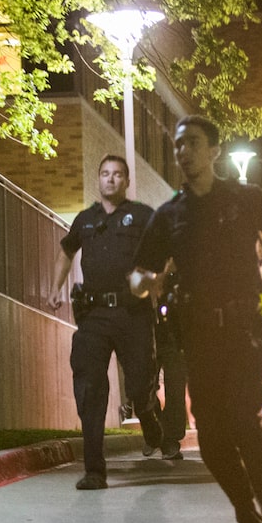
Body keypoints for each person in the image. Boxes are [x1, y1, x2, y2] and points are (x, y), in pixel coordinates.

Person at [129, 115, 262, 523]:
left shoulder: (246, 198)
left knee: (242, 421)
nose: (183, 152)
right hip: (196, 334)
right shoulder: (170, 214)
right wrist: (142, 283)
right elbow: (140, 271)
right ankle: (247, 519)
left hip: (243, 331)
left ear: (214, 151)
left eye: (192, 143)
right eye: (178, 145)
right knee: (212, 437)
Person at [49, 155, 164, 489]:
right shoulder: (85, 220)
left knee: (140, 382)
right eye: (105, 174)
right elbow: (66, 252)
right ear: (97, 180)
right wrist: (55, 288)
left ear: (126, 181)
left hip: (133, 314)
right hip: (95, 315)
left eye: (117, 175)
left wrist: (156, 281)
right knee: (90, 390)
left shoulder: (142, 215)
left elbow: (164, 254)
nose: (110, 180)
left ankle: (148, 415)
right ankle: (94, 471)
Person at [152, 268, 190, 460]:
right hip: (147, 335)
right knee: (142, 387)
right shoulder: (143, 268)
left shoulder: (178, 275)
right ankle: (154, 428)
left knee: (175, 388)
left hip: (174, 337)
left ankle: (171, 440)